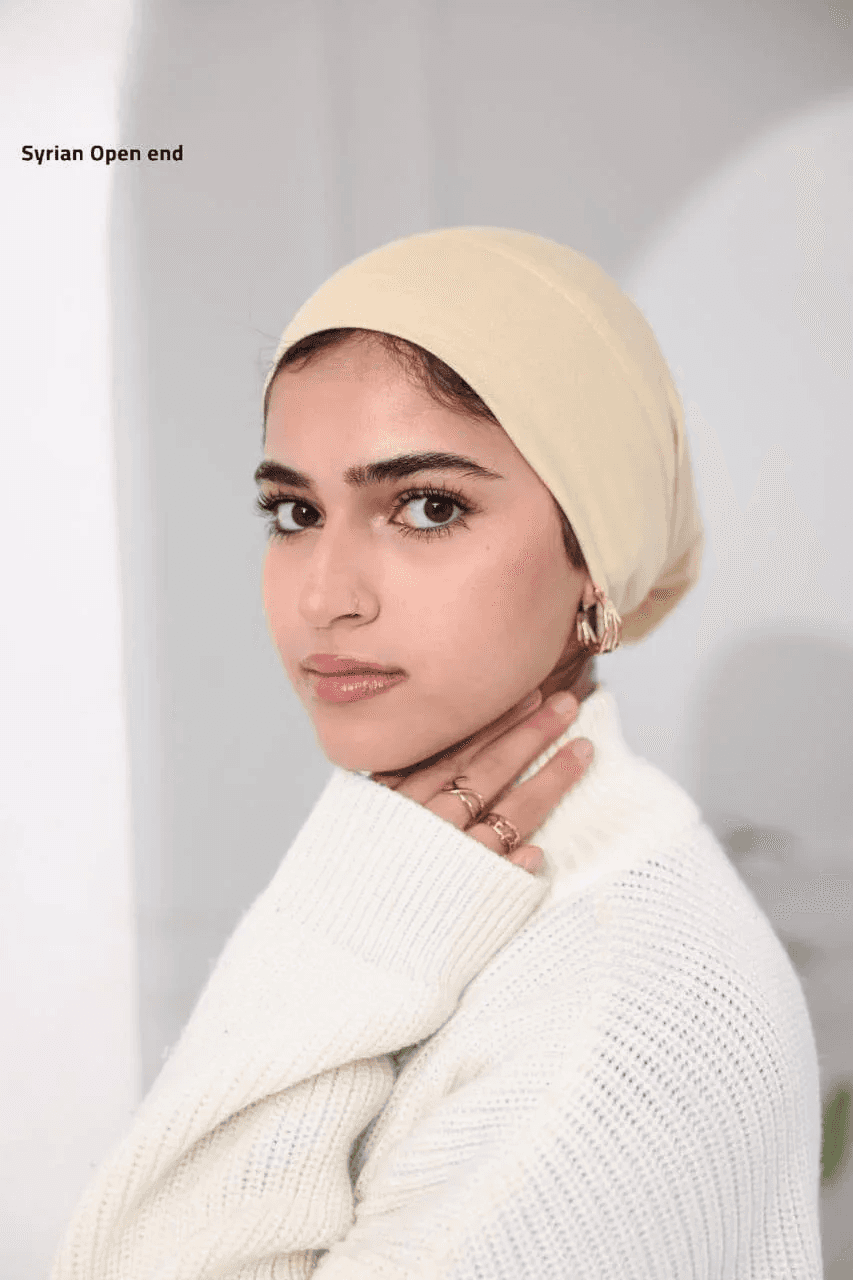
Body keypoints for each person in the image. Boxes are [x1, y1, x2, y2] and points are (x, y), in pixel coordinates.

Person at [52, 228, 823, 1278]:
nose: (325, 594)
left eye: (426, 506)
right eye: (294, 510)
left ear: (595, 556)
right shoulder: (423, 874)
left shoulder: (609, 1010)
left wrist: (343, 936)